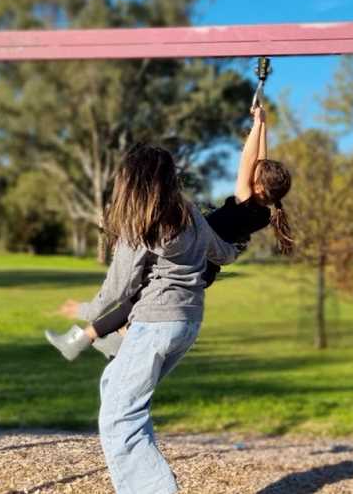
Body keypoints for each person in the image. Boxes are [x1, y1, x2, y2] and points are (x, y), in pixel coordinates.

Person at [46, 105, 292, 361]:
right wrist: (262, 123)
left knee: (138, 297)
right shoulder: (262, 212)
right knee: (139, 298)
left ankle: (85, 340)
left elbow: (248, 162)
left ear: (259, 186)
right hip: (204, 265)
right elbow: (259, 164)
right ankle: (109, 341)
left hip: (190, 258)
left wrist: (256, 126)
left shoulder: (245, 201)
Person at [67, 144, 238, 493]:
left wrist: (85, 311)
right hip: (186, 323)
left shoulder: (141, 221)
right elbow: (222, 253)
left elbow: (118, 288)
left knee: (119, 418)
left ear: (131, 181)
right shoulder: (188, 212)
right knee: (114, 384)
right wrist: (240, 242)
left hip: (154, 325)